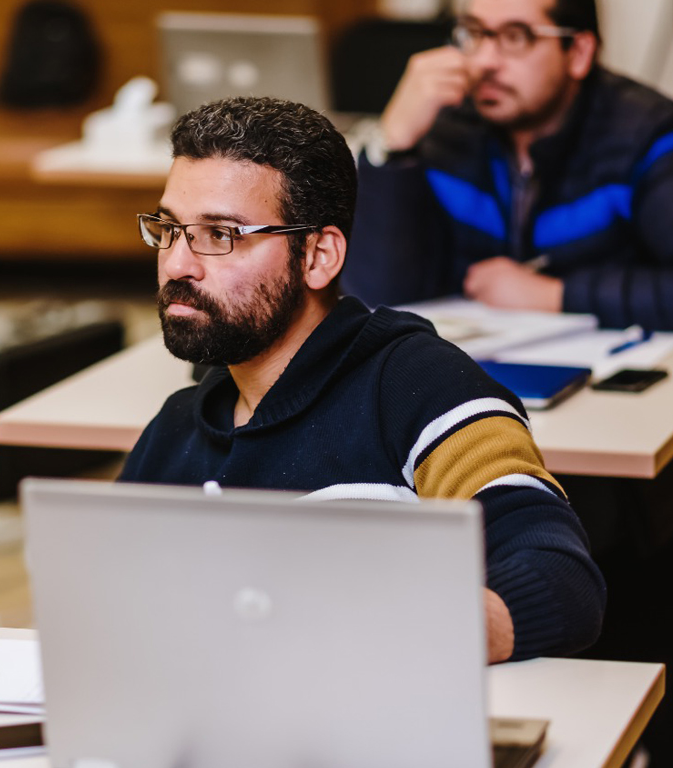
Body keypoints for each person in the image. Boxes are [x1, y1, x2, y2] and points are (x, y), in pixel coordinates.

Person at [343, 1, 673, 765]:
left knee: (584, 536)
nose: (484, 59)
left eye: (515, 37)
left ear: (579, 51)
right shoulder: (448, 129)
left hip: (617, 437)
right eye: (473, 32)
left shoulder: (645, 132)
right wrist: (392, 145)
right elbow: (375, 290)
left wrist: (555, 293)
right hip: (481, 408)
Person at [118, 95, 605, 664]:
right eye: (169, 228)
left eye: (221, 234)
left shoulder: (420, 388)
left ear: (318, 256)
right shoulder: (175, 430)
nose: (177, 263)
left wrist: (373, 634)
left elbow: (559, 578)